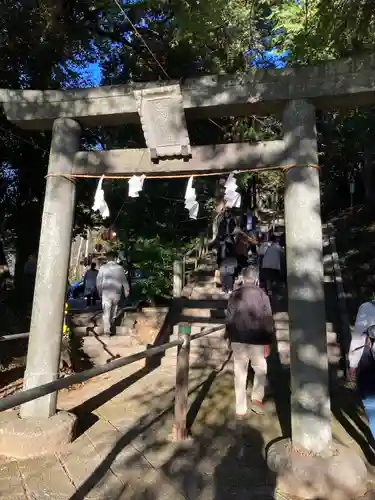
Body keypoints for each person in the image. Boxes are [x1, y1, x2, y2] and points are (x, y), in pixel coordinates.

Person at [225, 265, 274, 417]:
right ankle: (257, 398)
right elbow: (268, 320)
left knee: (240, 372)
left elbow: (229, 318)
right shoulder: (263, 296)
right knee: (260, 369)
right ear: (257, 279)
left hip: (239, 339)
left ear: (243, 278)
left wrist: (229, 336)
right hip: (257, 340)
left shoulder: (235, 295)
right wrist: (268, 341)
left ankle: (240, 407)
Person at [348, 300, 375, 440]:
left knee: (371, 405)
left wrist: (352, 365)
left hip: (370, 364)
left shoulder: (367, 308)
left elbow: (358, 339)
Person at [96, 252, 130, 335]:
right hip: (116, 293)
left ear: (107, 258)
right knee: (114, 310)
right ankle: (111, 323)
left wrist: (99, 291)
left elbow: (98, 281)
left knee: (106, 311)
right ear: (115, 258)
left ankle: (107, 329)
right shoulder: (120, 268)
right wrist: (127, 290)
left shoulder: (103, 268)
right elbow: (124, 280)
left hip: (106, 292)